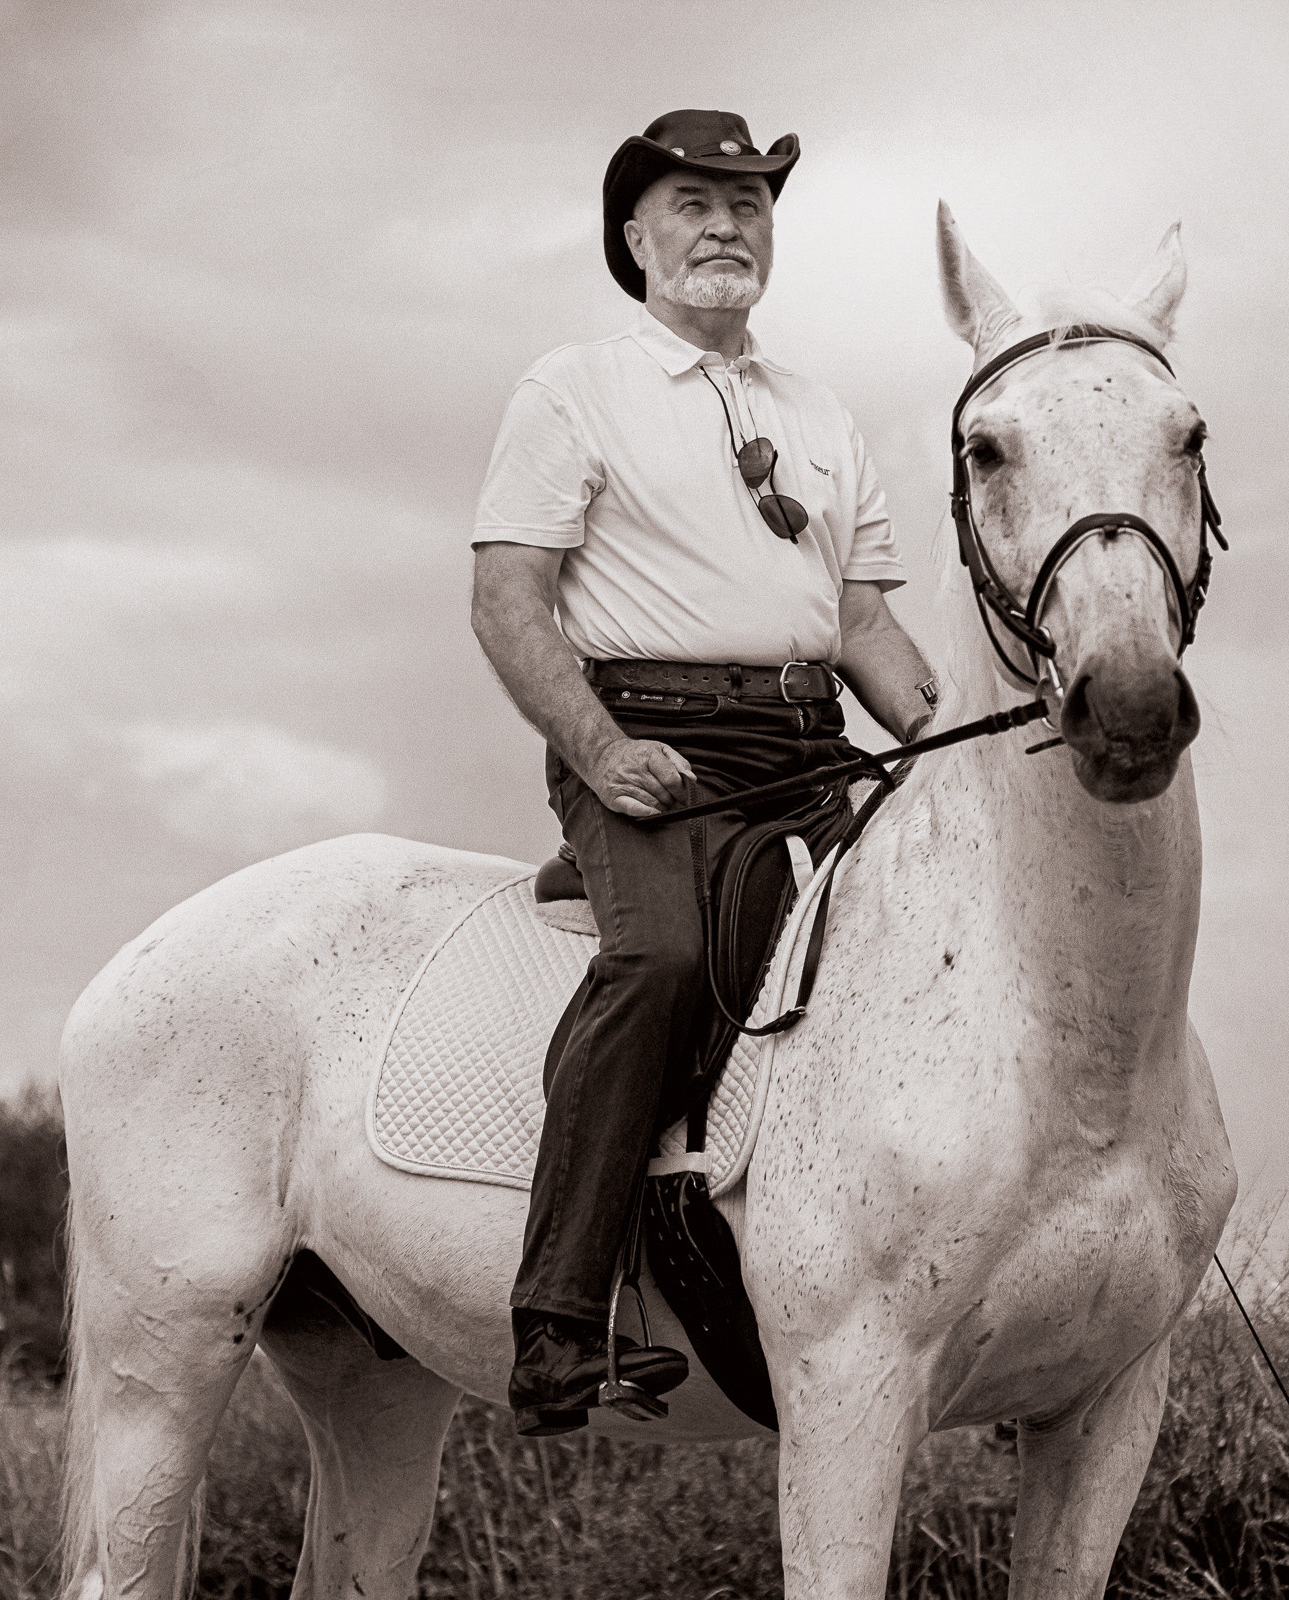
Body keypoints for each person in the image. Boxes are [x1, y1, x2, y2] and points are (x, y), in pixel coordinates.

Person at [469, 109, 939, 1436]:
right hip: (650, 745)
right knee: (663, 958)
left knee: (939, 936)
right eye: (694, 202)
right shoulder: (573, 387)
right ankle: (560, 1320)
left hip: (806, 746)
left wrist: (944, 743)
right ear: (636, 237)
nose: (727, 225)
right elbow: (506, 599)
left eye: (749, 204)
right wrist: (601, 751)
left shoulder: (823, 413)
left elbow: (863, 624)